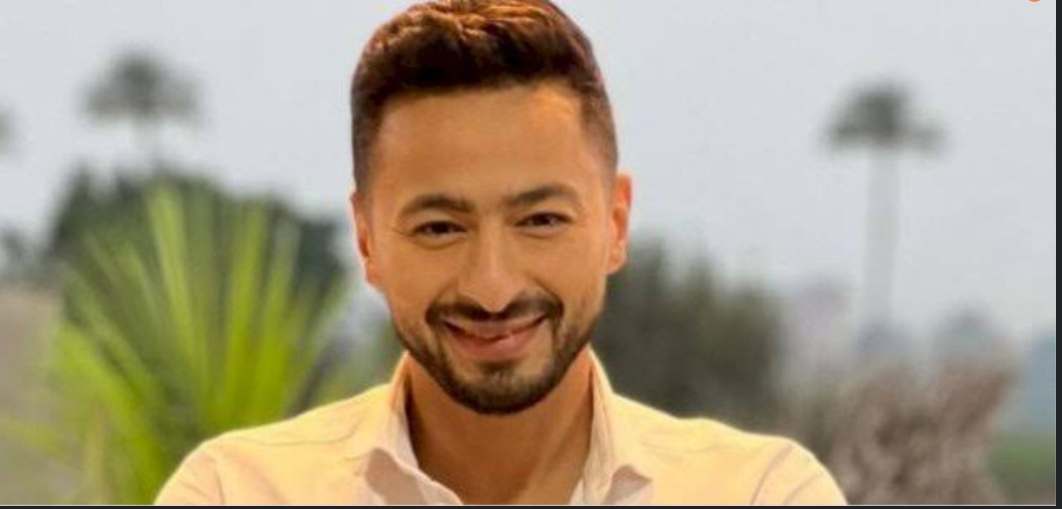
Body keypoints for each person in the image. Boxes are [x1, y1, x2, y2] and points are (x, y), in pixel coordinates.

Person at [156, 0, 846, 504]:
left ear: (615, 222)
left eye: (540, 219)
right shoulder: (236, 492)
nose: (492, 287)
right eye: (439, 228)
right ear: (367, 240)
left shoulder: (760, 493)